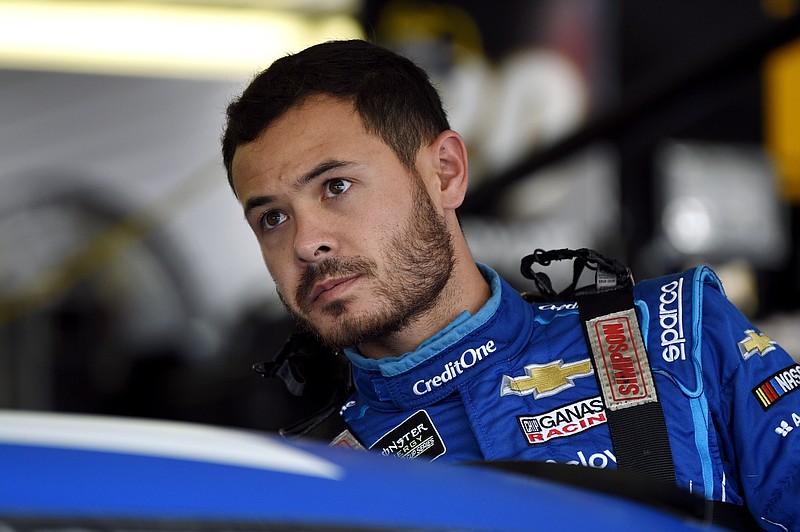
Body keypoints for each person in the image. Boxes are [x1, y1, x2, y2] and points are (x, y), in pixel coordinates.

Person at [222, 39, 799, 530]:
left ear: (445, 172)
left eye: (336, 186)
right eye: (271, 217)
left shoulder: (677, 333)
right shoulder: (309, 483)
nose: (304, 242)